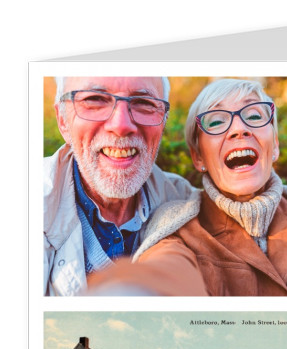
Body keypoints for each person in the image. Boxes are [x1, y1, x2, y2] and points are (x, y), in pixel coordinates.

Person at [87, 78, 287, 296]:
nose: (239, 129)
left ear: (274, 144)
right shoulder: (176, 228)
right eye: (216, 121)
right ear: (198, 157)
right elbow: (165, 271)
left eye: (254, 116)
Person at [44, 76, 198, 296]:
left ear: (163, 121)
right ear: (62, 120)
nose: (121, 126)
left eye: (144, 103)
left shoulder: (187, 204)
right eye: (95, 99)